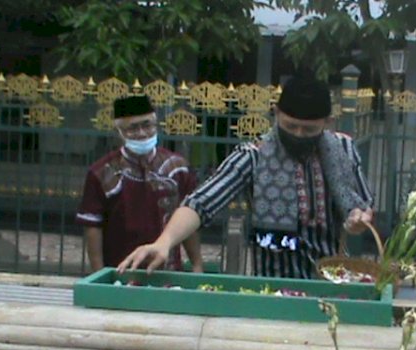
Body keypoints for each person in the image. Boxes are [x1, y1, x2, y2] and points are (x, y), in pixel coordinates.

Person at [118, 75, 374, 278]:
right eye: (290, 125)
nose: (297, 134)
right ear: (276, 114)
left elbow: (361, 206)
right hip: (273, 287)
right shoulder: (253, 155)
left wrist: (359, 219)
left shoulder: (344, 150)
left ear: (327, 123)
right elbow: (200, 202)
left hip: (331, 284)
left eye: (308, 129)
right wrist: (165, 242)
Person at [75, 95, 202, 273]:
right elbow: (93, 228)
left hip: (169, 272)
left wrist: (197, 265)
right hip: (121, 272)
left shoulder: (178, 168)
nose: (142, 133)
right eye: (133, 128)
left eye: (147, 125)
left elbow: (190, 218)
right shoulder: (101, 173)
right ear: (119, 131)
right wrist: (99, 274)